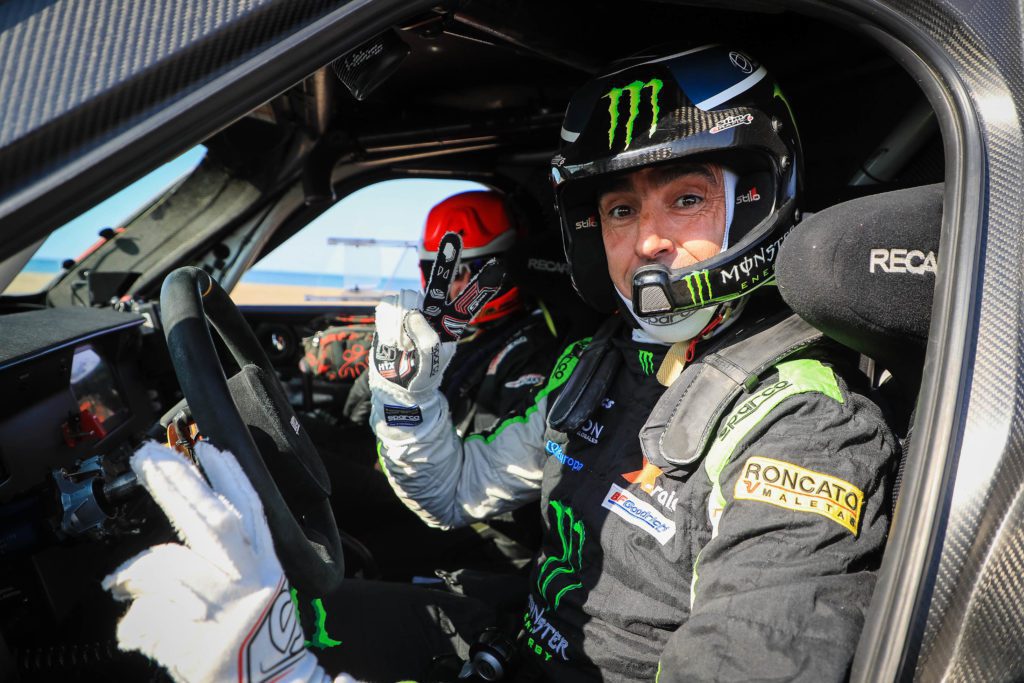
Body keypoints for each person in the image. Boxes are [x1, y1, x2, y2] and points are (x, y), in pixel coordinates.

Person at [106, 45, 897, 683]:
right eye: (621, 209)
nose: (647, 240)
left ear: (755, 198)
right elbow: (454, 493)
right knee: (296, 613)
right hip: (518, 639)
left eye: (685, 198)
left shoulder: (804, 423)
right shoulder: (595, 365)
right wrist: (408, 397)